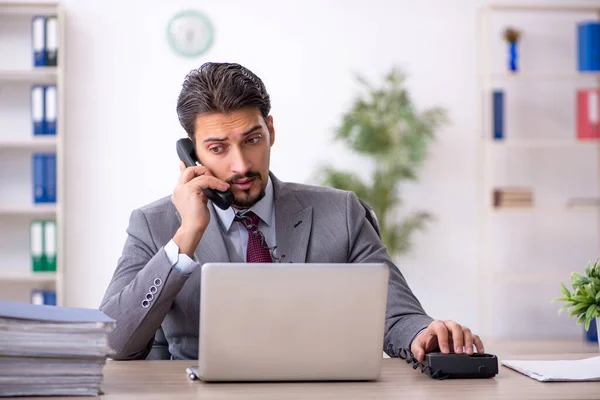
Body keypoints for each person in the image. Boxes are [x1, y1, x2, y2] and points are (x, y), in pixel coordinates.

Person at [99, 62, 484, 361]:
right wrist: (186, 238)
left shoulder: (342, 213)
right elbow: (113, 342)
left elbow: (398, 317)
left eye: (252, 140)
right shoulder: (154, 225)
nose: (240, 166)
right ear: (192, 154)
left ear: (270, 130)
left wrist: (424, 335)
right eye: (217, 148)